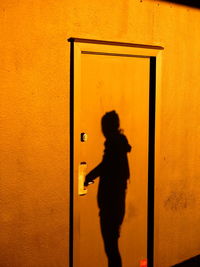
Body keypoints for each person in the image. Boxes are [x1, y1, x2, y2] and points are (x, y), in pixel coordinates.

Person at [85, 111, 131, 267]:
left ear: (107, 127)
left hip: (110, 207)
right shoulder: (120, 146)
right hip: (117, 205)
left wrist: (87, 177)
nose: (102, 129)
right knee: (112, 249)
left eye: (103, 126)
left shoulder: (114, 146)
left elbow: (105, 167)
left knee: (111, 250)